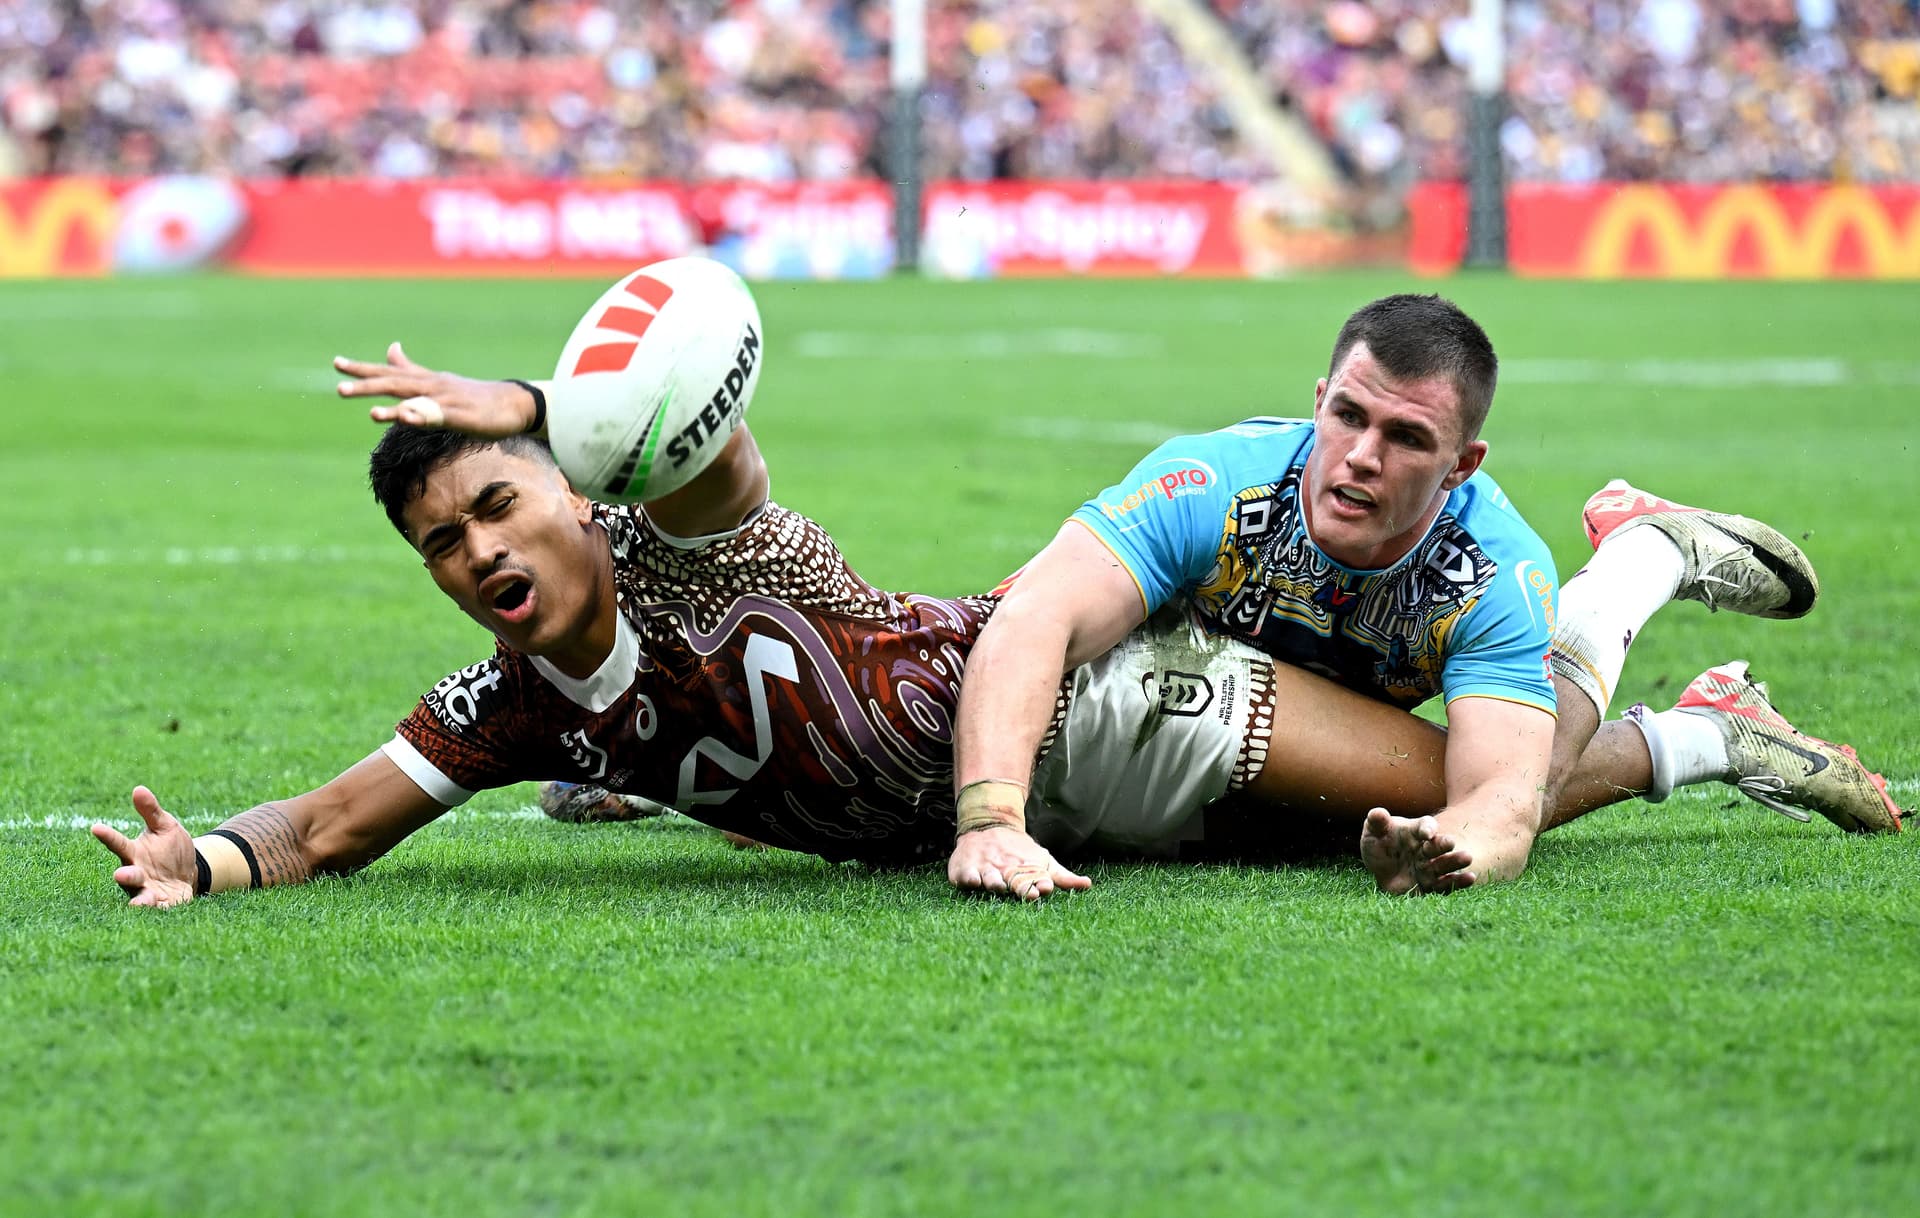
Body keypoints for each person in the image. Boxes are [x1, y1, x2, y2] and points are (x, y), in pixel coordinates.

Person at [92, 335, 1897, 909]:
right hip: (1038, 792)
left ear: (572, 484)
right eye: (443, 539)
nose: (479, 547)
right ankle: (1696, 717)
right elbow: (333, 820)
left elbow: (706, 435)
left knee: (1455, 784)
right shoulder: (518, 703)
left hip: (1105, 711)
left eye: (497, 497)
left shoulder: (709, 551)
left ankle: (1652, 619)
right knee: (1373, 836)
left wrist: (520, 391)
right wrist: (216, 864)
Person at [946, 293, 1900, 897]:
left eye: (1406, 439)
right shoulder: (1212, 483)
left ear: (1461, 464)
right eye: (1346, 415)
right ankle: (1692, 695)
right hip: (1203, 710)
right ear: (1317, 398)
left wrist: (1450, 854)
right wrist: (992, 817)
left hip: (1257, 718)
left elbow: (1498, 803)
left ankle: (1637, 587)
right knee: (1329, 805)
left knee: (1465, 786)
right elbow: (1036, 616)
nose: (1360, 457)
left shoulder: (1492, 572)